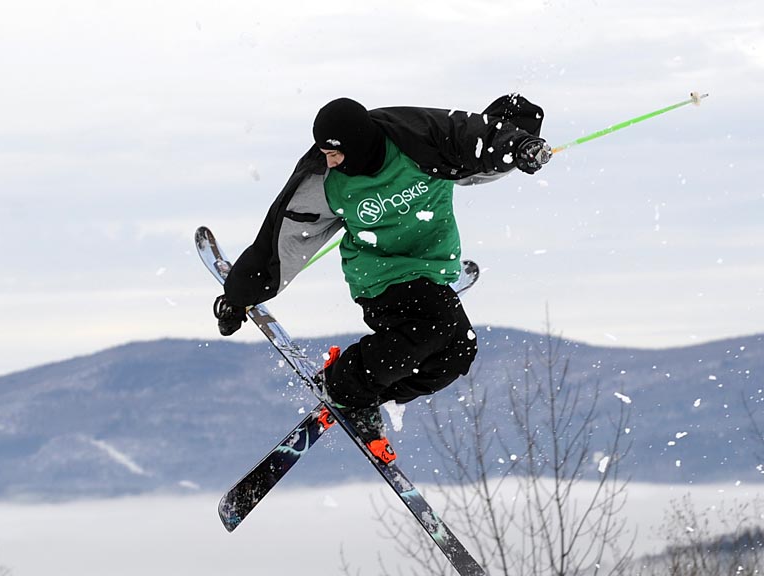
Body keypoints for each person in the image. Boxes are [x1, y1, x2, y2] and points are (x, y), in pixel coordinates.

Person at [212, 94, 550, 450]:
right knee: (435, 324)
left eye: (337, 152)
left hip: (432, 270)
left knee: (457, 352)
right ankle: (344, 384)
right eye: (326, 154)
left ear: (360, 141)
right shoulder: (326, 181)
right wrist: (238, 297)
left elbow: (476, 137)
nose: (332, 161)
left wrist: (520, 143)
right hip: (379, 275)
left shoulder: (420, 141)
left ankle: (364, 397)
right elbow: (279, 241)